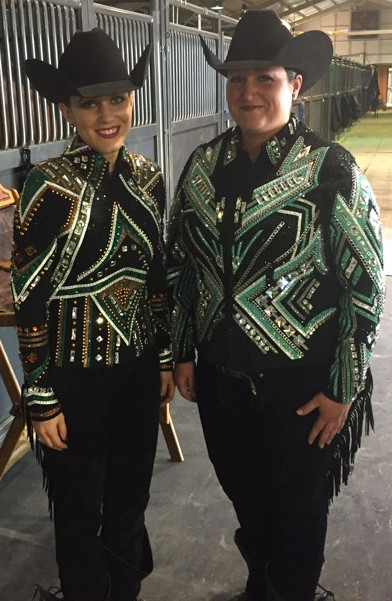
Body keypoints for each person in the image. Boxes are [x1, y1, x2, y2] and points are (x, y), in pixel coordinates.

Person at [167, 10, 385, 601]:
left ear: (296, 84)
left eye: (264, 78)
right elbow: (183, 265)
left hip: (303, 384)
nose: (248, 93)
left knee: (298, 511)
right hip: (218, 379)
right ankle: (259, 585)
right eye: (236, 79)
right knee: (247, 500)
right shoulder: (203, 167)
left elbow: (366, 284)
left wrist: (344, 384)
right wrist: (183, 350)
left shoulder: (330, 171)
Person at [11, 28, 174, 601]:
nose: (107, 115)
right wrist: (40, 395)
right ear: (67, 108)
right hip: (72, 378)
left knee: (130, 498)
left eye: (118, 98)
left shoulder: (149, 178)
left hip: (134, 373)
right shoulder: (46, 185)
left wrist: (162, 358)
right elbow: (29, 297)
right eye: (89, 102)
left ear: (133, 100)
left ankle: (124, 592)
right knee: (79, 508)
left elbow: (157, 279)